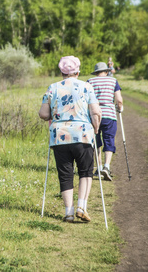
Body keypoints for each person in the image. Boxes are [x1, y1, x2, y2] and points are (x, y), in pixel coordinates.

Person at [39, 56, 102, 223]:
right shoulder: (87, 87)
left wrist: (55, 114)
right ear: (78, 71)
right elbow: (96, 112)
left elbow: (43, 114)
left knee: (65, 174)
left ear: (61, 72)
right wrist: (95, 128)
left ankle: (68, 212)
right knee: (85, 172)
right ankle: (81, 206)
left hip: (60, 136)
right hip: (82, 134)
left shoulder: (52, 88)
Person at [87, 62, 123, 181]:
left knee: (96, 142)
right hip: (109, 115)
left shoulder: (90, 81)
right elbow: (118, 100)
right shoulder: (113, 81)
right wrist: (119, 107)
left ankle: (99, 167)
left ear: (96, 72)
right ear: (107, 72)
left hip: (94, 115)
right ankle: (106, 167)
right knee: (109, 140)